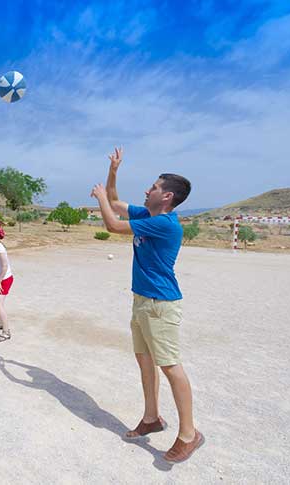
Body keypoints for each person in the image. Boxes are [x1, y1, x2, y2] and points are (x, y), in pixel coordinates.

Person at [90, 147, 204, 463]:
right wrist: (113, 171)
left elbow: (112, 221)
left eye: (153, 187)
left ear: (166, 196)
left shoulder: (165, 224)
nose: (147, 189)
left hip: (160, 306)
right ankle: (152, 418)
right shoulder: (148, 214)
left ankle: (189, 434)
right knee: (145, 362)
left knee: (170, 366)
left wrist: (98, 197)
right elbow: (116, 201)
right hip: (142, 303)